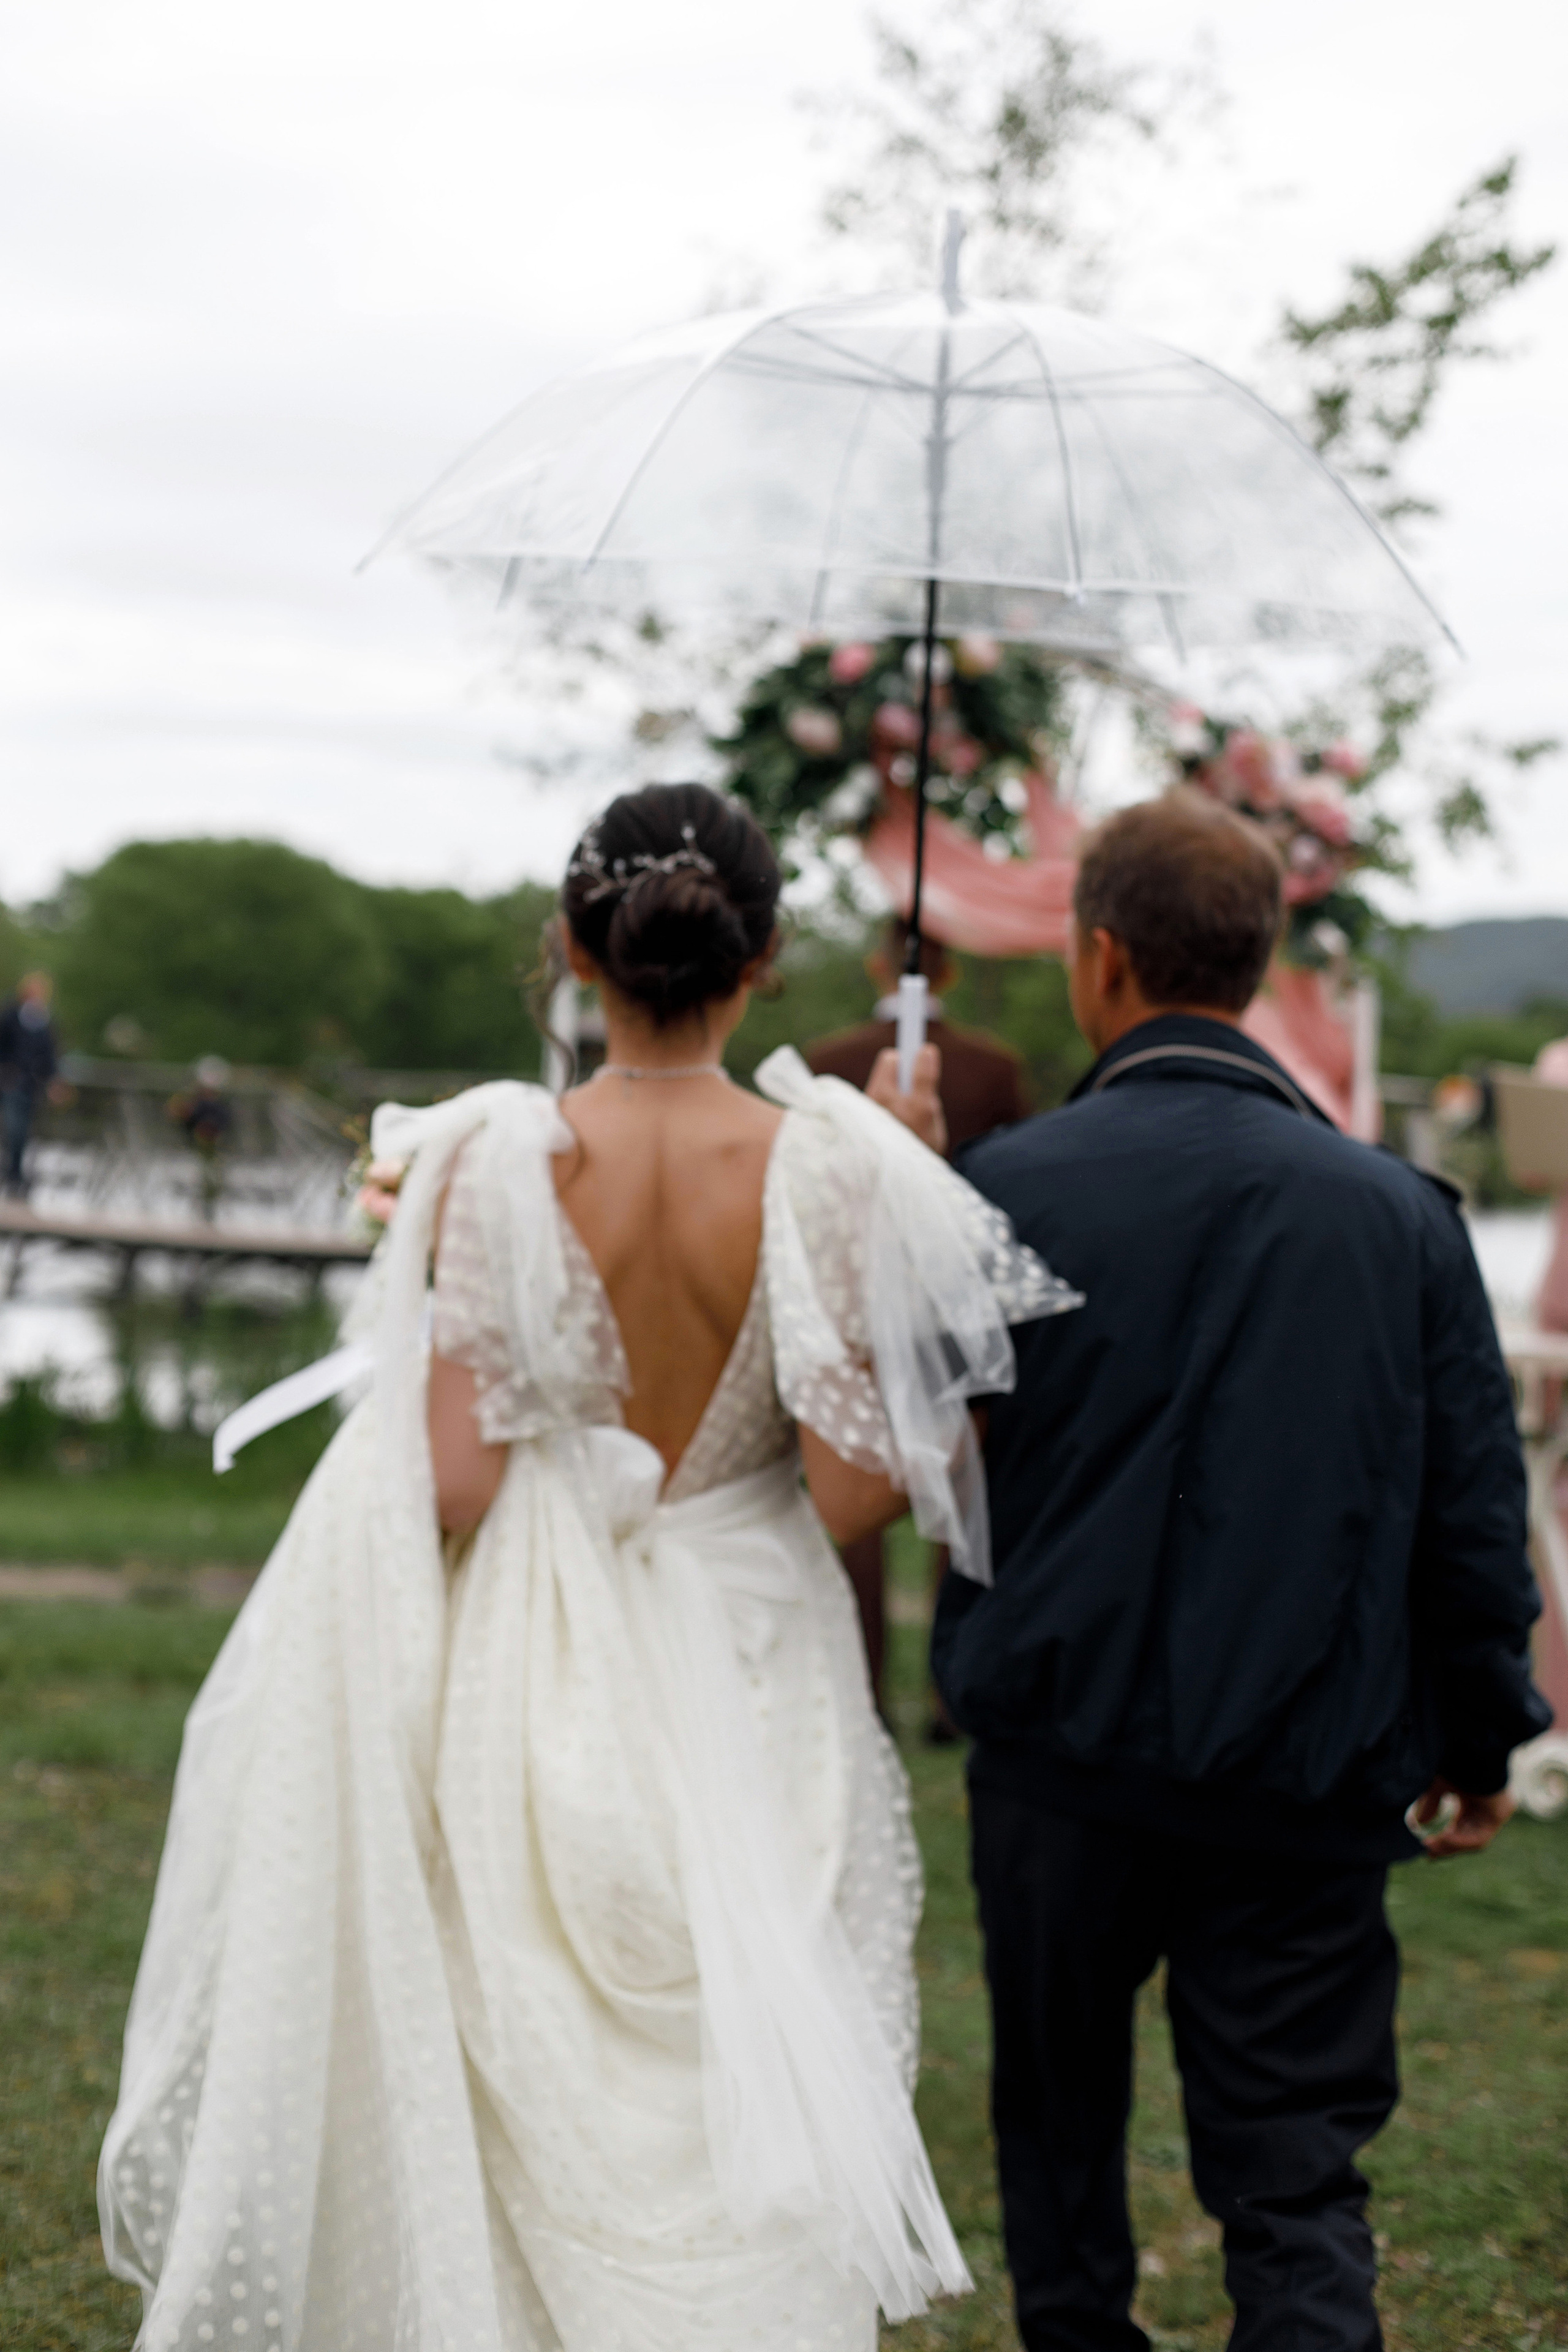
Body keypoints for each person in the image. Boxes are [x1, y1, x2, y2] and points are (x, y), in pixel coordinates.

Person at [99, 783, 1080, 2352]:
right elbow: (845, 1491)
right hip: (759, 1660)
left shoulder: (497, 1156)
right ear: (759, 962)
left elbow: (455, 1476)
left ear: (570, 948)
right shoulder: (825, 1165)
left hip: (535, 1664)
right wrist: (891, 1249)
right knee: (745, 2058)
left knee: (518, 2030)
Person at [886, 791, 1548, 2352]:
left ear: (1097, 956)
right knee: (1294, 2181)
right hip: (1301, 1768)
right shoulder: (1398, 1215)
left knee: (1057, 2156)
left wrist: (905, 1206)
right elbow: (1470, 1512)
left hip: (1055, 1762)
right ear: (1251, 968)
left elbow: (912, 1458)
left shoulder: (1000, 1188)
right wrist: (1480, 1736)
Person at [806, 918, 1029, 1708]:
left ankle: (862, 1682)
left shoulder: (829, 1063)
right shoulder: (992, 1068)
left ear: (877, 960)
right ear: (952, 970)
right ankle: (947, 1690)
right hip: (956, 1307)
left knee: (853, 1488)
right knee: (960, 1487)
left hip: (854, 1307)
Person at [0, 970, 62, 1199]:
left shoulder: (45, 1021)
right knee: (14, 1130)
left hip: (33, 1085)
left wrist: (54, 1081)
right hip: (11, 1082)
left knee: (25, 1133)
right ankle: (13, 1176)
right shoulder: (10, 1016)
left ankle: (18, 1177)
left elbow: (50, 1054)